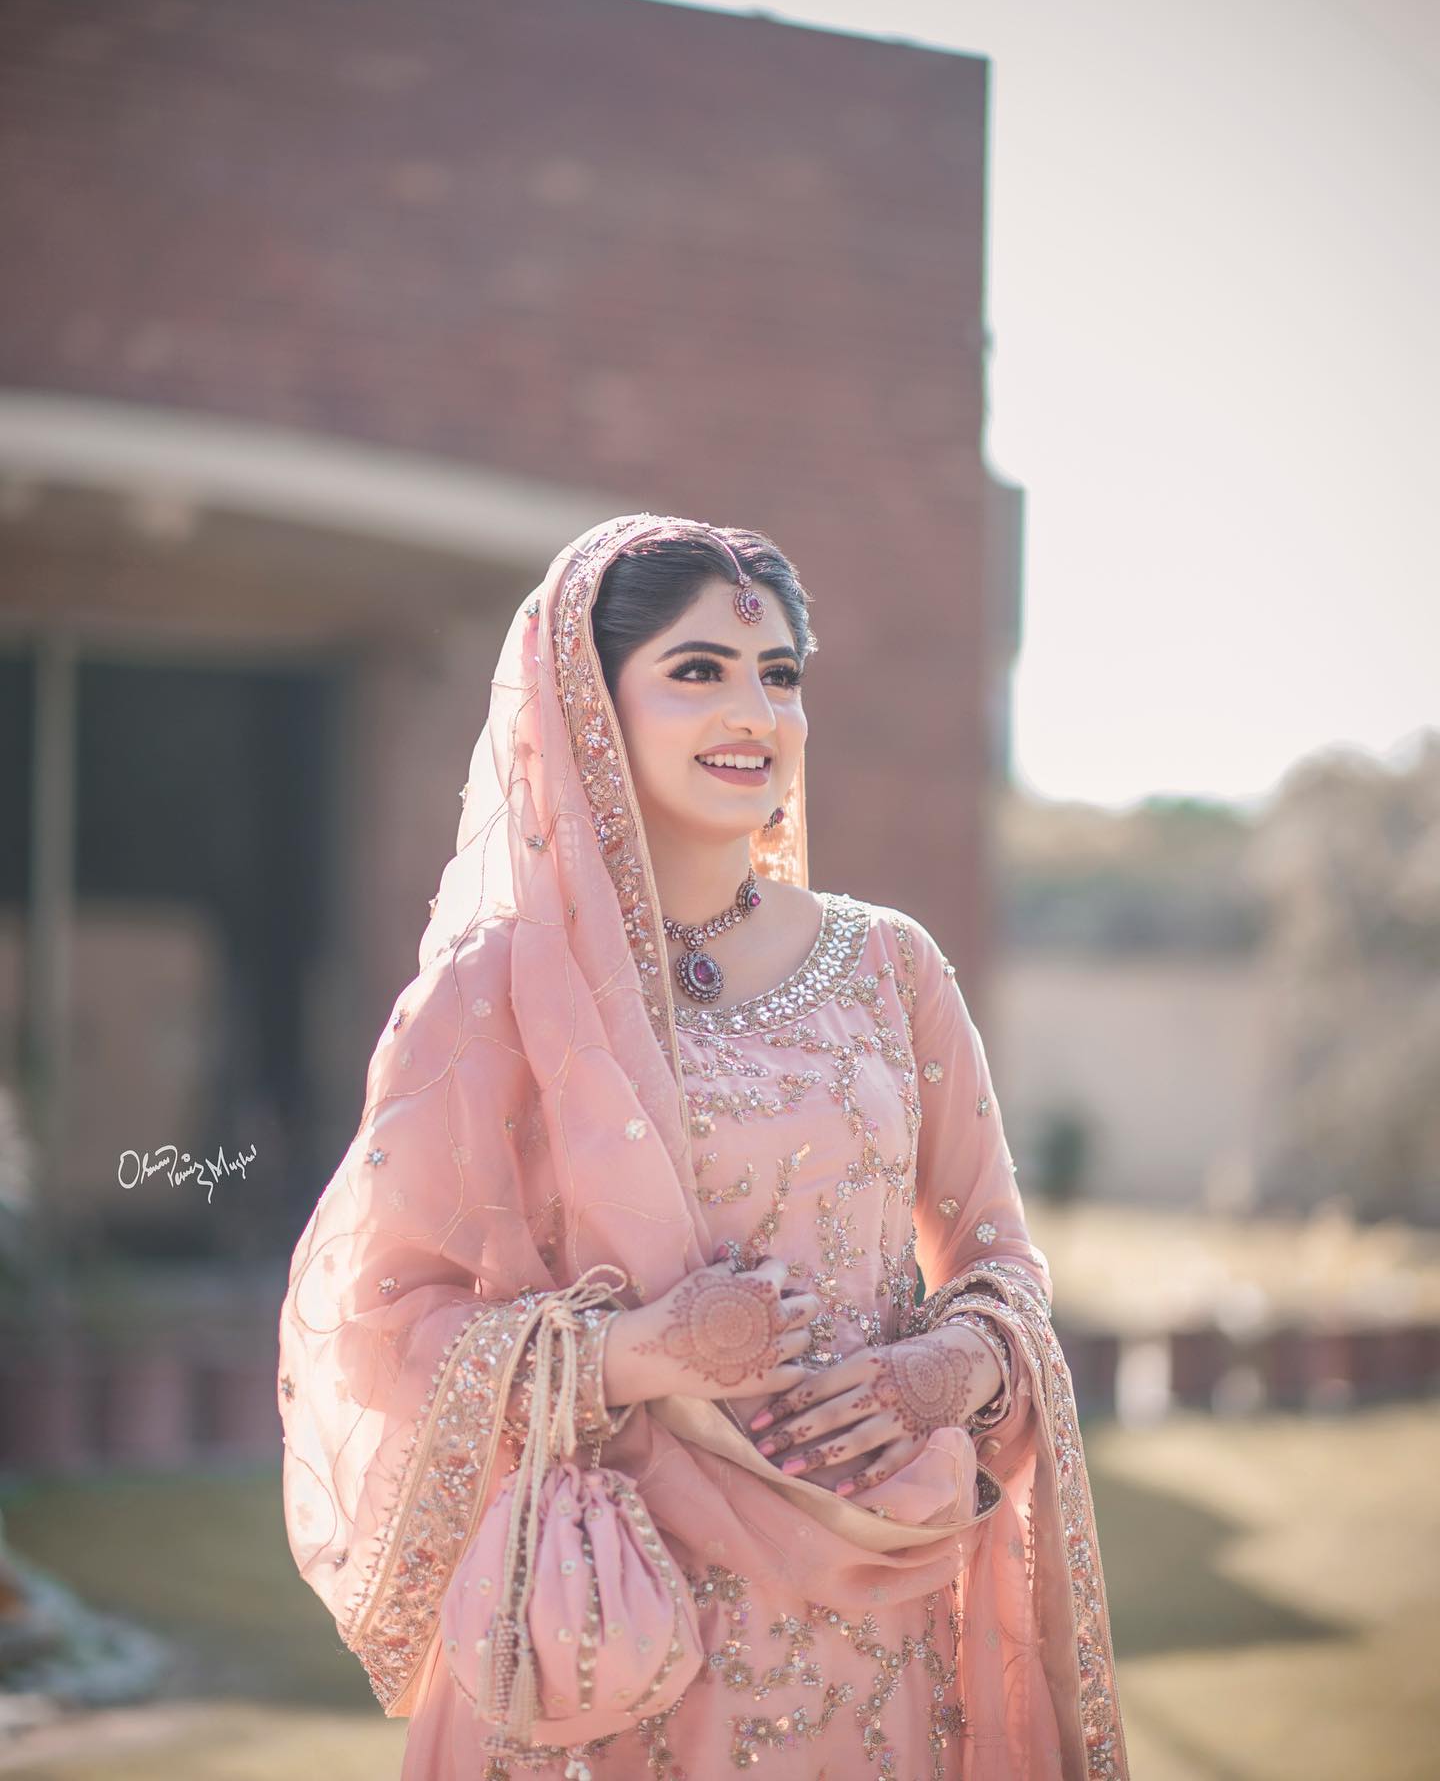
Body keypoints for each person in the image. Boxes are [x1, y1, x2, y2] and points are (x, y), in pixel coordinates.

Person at [277, 513, 1129, 1779]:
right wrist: (636, 1351)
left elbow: (999, 1259)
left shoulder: (891, 968)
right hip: (614, 1629)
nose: (755, 711)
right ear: (589, 705)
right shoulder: (495, 996)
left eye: (778, 675)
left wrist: (945, 1370)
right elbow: (385, 1321)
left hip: (877, 1626)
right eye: (699, 672)